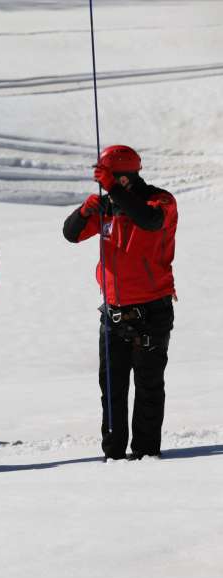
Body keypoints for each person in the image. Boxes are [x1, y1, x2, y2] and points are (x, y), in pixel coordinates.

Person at [63, 145, 177, 461]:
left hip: (151, 311)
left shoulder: (160, 201)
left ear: (125, 178)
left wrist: (114, 191)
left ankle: (145, 453)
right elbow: (71, 235)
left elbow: (150, 221)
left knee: (148, 385)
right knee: (112, 389)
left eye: (109, 178)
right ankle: (112, 455)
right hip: (113, 313)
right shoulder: (108, 206)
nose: (104, 186)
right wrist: (85, 211)